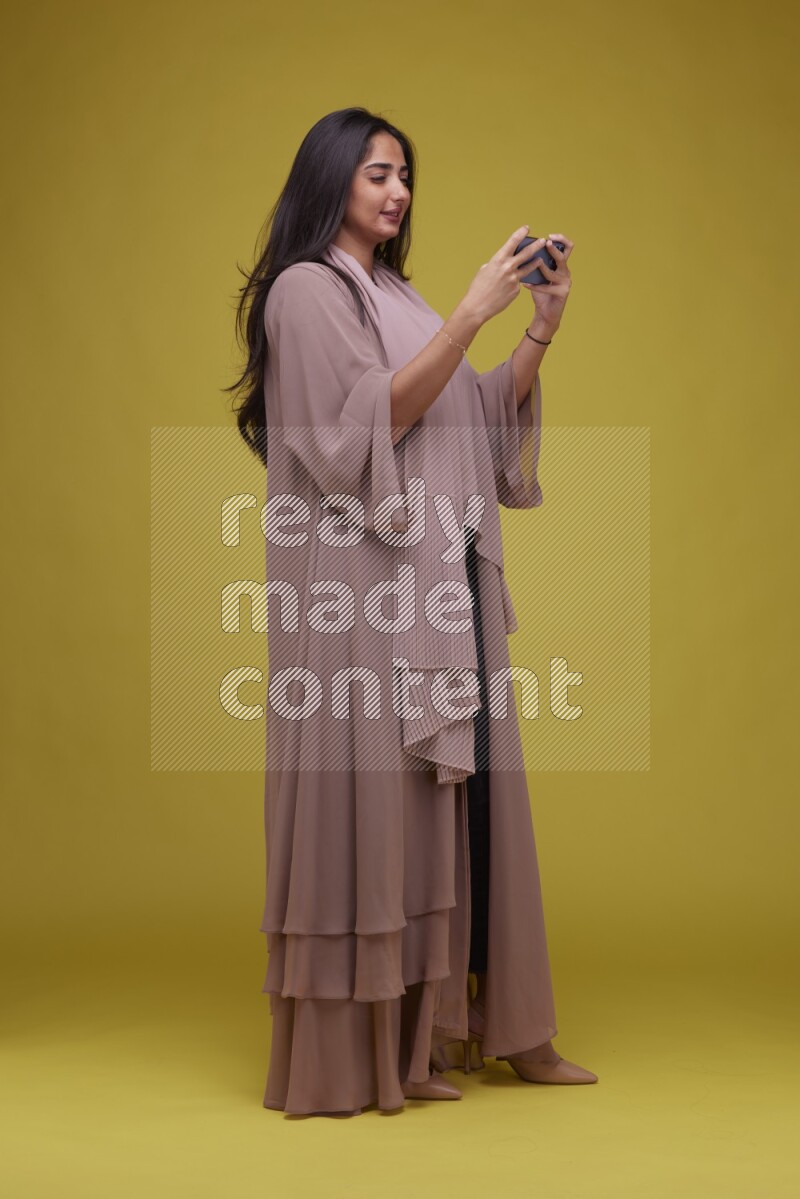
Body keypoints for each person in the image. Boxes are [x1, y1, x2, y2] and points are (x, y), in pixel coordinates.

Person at [227, 106, 597, 1117]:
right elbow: (367, 425)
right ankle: (364, 1050)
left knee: (458, 796)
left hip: (437, 571)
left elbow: (464, 416)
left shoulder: (390, 288)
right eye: (377, 172)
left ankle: (464, 1027)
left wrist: (534, 328)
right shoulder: (307, 291)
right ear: (331, 177)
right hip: (358, 582)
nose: (396, 191)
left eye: (404, 176)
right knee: (376, 805)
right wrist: (467, 316)